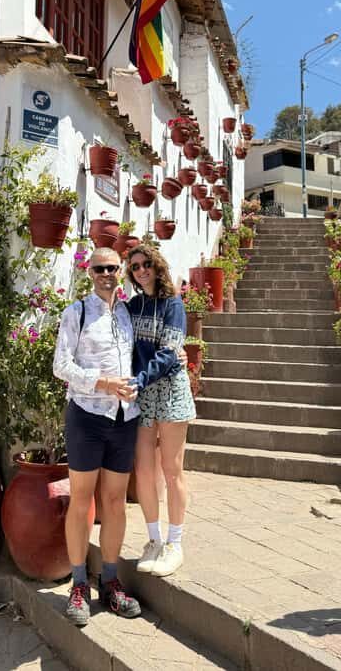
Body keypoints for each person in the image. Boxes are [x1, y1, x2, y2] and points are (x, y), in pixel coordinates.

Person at [53, 247, 142, 627]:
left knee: (116, 502)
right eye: (99, 268)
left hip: (124, 419)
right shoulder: (77, 312)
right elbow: (61, 366)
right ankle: (77, 584)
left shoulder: (127, 314)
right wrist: (101, 383)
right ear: (90, 272)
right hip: (87, 417)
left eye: (112, 268)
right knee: (82, 500)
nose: (107, 273)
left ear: (121, 272)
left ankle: (109, 581)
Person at [125, 243, 195, 578]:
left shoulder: (173, 305)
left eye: (145, 264)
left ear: (157, 266)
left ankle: (175, 543)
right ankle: (153, 540)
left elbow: (169, 353)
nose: (140, 271)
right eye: (135, 266)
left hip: (168, 391)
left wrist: (138, 378)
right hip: (141, 393)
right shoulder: (131, 306)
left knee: (172, 469)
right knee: (144, 470)